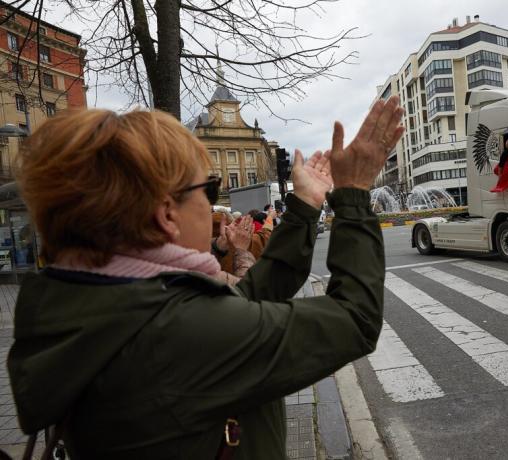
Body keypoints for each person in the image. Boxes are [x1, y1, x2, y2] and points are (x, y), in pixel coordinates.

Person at [8, 95, 405, 459]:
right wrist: (352, 193)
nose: (212, 203)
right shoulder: (176, 333)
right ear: (166, 215)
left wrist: (302, 208)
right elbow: (355, 319)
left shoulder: (98, 301)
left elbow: (246, 301)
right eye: (208, 187)